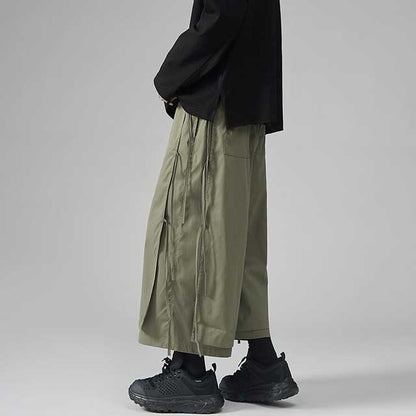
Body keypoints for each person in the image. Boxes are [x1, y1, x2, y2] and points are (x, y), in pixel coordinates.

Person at [128, 0, 299, 413]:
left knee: (190, 230)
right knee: (237, 240)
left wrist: (170, 78)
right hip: (246, 105)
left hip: (215, 104)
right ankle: (263, 364)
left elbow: (223, 13)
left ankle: (189, 371)